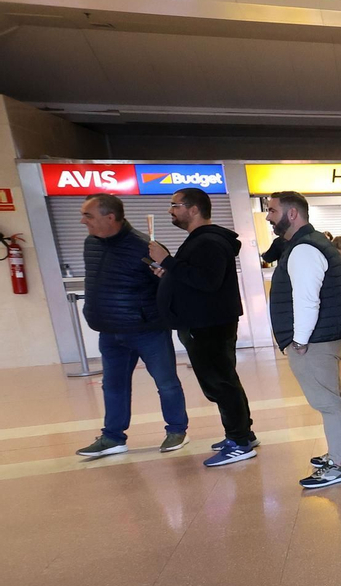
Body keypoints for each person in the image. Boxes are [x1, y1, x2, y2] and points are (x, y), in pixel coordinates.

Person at [74, 195, 189, 459]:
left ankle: (177, 430)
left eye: (88, 216)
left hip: (147, 329)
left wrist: (164, 275)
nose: (82, 221)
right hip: (109, 330)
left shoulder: (144, 247)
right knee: (113, 385)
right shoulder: (91, 244)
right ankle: (113, 437)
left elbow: (169, 285)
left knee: (166, 383)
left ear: (110, 217)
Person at [149, 187, 256, 467]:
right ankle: (243, 433)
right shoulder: (200, 241)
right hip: (205, 322)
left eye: (175, 205)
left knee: (220, 383)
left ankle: (239, 442)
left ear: (194, 209)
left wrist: (167, 260)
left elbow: (208, 281)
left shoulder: (208, 241)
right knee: (224, 380)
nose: (171, 211)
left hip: (208, 324)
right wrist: (169, 271)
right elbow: (195, 277)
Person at [265, 191, 341, 490]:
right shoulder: (311, 242)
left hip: (314, 339)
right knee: (334, 395)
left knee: (326, 401)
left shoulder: (304, 249)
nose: (268, 217)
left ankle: (340, 465)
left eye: (272, 210)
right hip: (324, 335)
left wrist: (299, 340)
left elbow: (306, 300)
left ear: (292, 213)